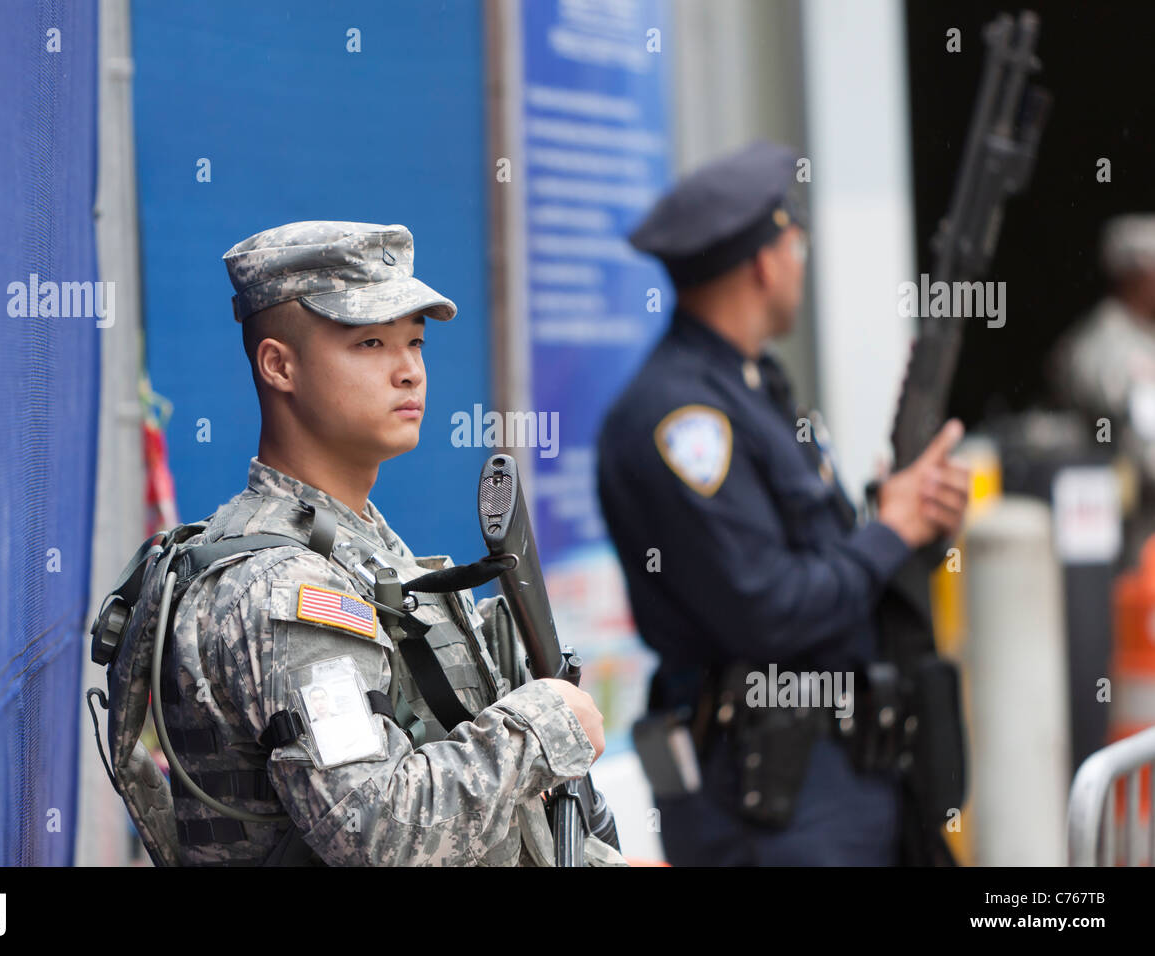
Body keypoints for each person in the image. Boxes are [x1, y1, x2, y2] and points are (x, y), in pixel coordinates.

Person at [160, 220, 624, 866]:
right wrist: (544, 723)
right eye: (371, 343)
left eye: (415, 342)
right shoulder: (284, 587)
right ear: (279, 365)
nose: (408, 371)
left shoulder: (361, 550)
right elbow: (374, 827)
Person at [596, 142, 970, 865]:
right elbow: (766, 607)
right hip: (771, 806)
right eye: (796, 246)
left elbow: (816, 557)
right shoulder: (682, 422)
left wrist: (903, 514)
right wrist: (891, 528)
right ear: (764, 263)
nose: (802, 264)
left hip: (841, 777)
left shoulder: (755, 386)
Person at [1048, 214, 1155, 566]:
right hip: (1127, 522)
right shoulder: (1100, 343)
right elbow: (1137, 425)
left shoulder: (1145, 336)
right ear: (1133, 274)